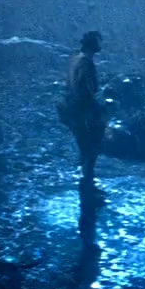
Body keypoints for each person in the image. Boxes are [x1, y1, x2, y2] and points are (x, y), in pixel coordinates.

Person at [57, 31, 108, 240]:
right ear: (92, 43)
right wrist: (96, 110)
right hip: (83, 112)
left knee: (86, 149)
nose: (100, 44)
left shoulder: (76, 59)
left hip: (75, 111)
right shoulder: (85, 62)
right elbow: (86, 90)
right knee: (90, 150)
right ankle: (88, 189)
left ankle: (87, 186)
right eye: (98, 41)